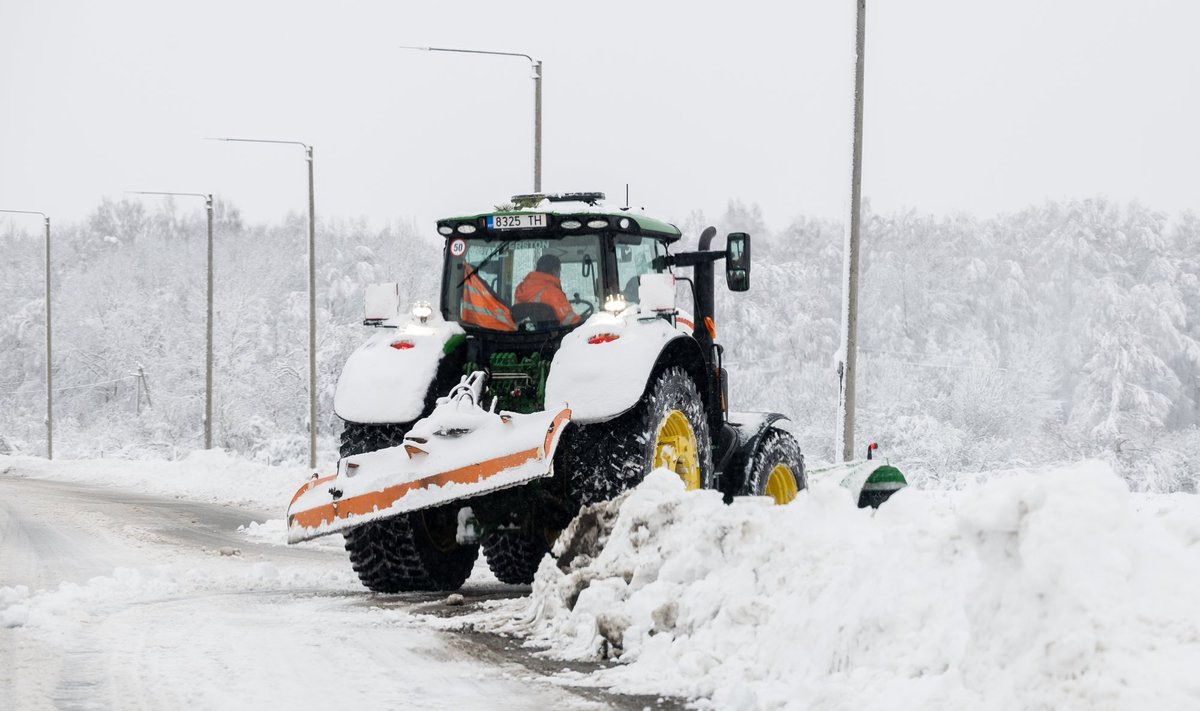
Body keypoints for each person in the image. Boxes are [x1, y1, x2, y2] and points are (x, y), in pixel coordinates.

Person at [514, 254, 581, 326]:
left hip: (523, 335)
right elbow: (571, 321)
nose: (559, 276)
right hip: (550, 336)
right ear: (555, 271)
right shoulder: (553, 293)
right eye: (559, 271)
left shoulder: (521, 289)